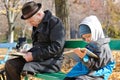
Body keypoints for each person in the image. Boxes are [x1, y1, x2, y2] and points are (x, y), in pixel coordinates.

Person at [5, 1, 65, 80]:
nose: (30, 24)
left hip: (51, 62)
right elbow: (37, 46)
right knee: (10, 64)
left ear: (39, 14)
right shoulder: (36, 25)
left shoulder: (55, 23)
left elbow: (56, 47)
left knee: (27, 68)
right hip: (37, 59)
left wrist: (33, 55)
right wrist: (28, 52)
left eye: (31, 21)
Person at [64, 15, 115, 80]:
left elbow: (97, 66)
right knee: (68, 78)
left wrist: (84, 58)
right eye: (84, 38)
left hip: (99, 74)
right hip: (88, 71)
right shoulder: (91, 44)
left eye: (88, 36)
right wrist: (80, 55)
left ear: (95, 31)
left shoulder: (103, 47)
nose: (87, 39)